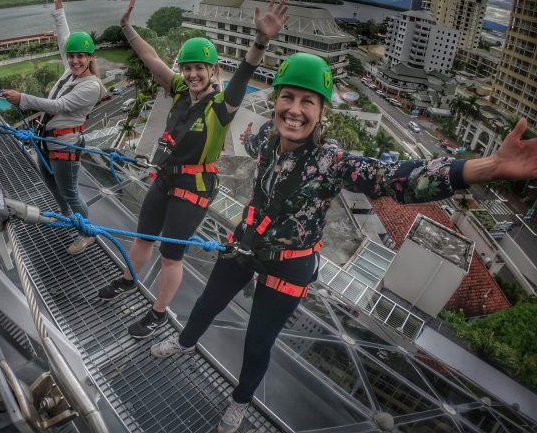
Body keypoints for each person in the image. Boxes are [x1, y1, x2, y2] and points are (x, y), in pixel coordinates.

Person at [148, 52, 537, 433]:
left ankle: (240, 402)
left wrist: (487, 167)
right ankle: (185, 342)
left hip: (289, 264)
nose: (295, 110)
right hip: (247, 243)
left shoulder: (332, 161)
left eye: (307, 102)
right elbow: (251, 143)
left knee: (257, 343)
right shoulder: (267, 137)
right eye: (287, 97)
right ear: (276, 101)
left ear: (322, 112)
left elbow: (396, 178)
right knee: (207, 303)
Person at [97, 0, 289, 340]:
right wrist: (127, 28)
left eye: (199, 68)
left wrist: (261, 42)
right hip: (165, 177)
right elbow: (150, 58)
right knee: (143, 237)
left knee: (171, 255)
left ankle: (158, 313)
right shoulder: (180, 90)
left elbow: (245, 73)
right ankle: (129, 280)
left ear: (213, 70)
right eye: (187, 67)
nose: (192, 74)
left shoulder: (222, 106)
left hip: (194, 187)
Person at [2, 0, 105, 255]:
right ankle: (66, 219)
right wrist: (58, 6)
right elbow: (65, 39)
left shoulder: (91, 86)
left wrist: (22, 99)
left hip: (65, 145)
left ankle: (86, 233)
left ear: (90, 58)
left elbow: (59, 105)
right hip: (46, 141)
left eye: (81, 56)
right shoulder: (70, 72)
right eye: (72, 56)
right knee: (53, 186)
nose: (75, 60)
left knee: (70, 191)